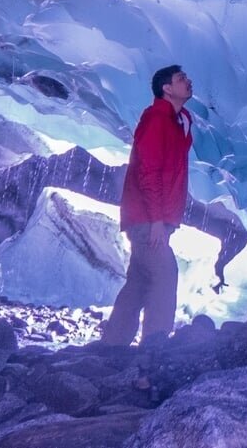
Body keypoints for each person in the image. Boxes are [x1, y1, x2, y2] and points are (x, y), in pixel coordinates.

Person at [99, 64, 194, 345]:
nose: (188, 81)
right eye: (181, 79)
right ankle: (154, 351)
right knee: (165, 276)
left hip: (151, 218)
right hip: (147, 219)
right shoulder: (156, 119)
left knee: (139, 282)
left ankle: (112, 346)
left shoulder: (177, 121)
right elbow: (148, 172)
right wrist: (156, 220)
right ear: (167, 88)